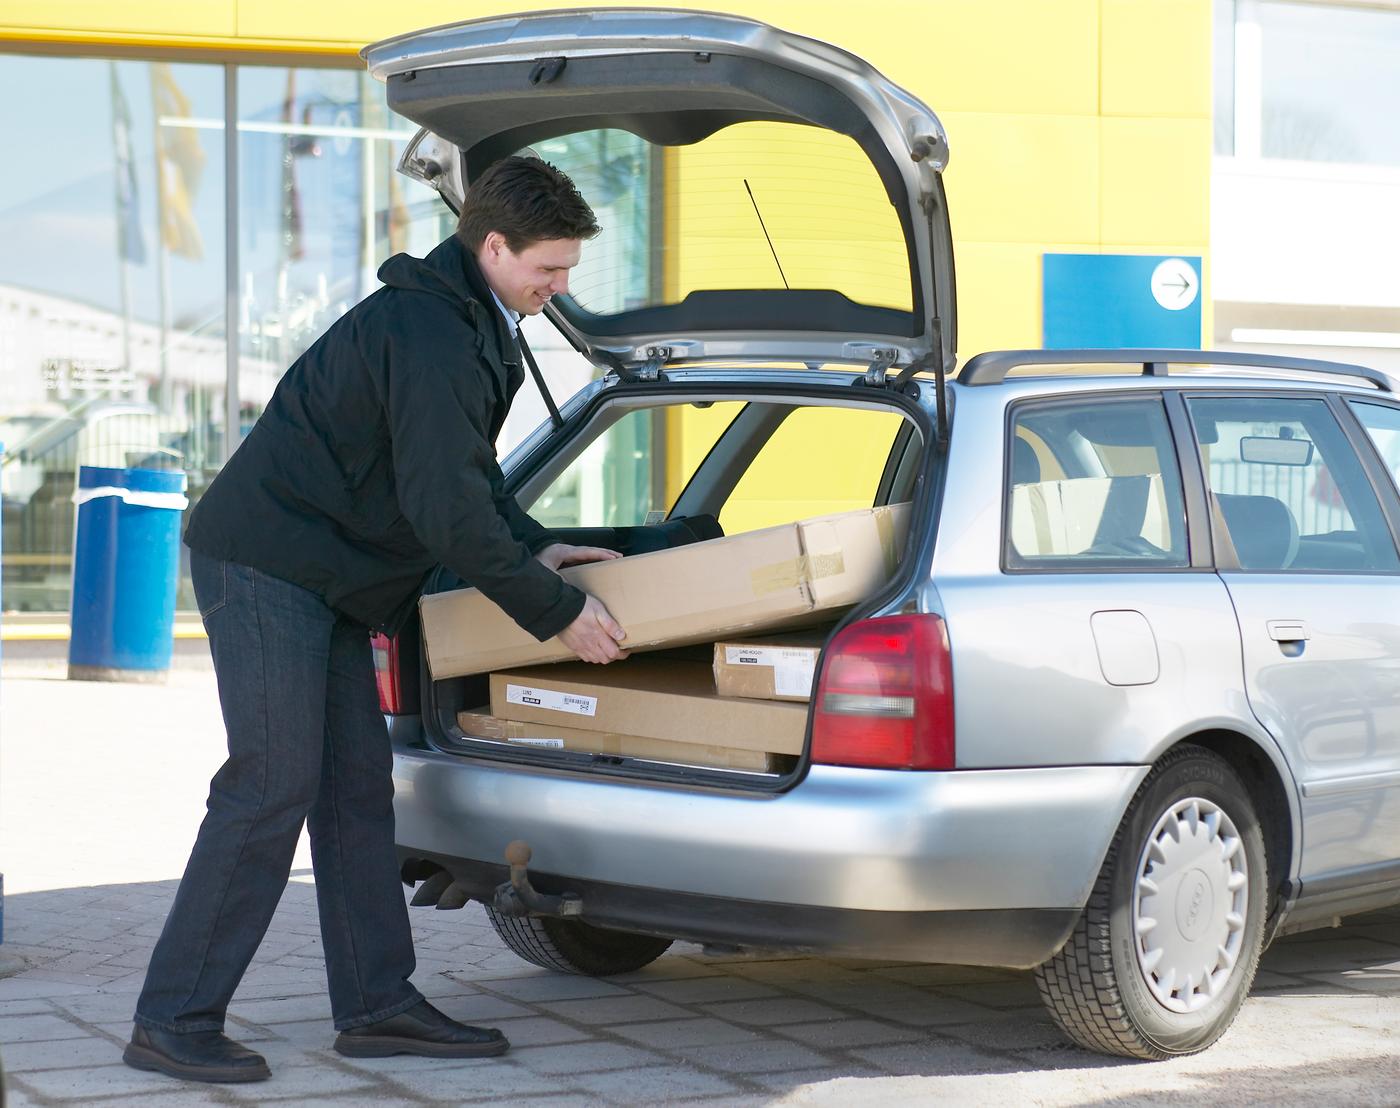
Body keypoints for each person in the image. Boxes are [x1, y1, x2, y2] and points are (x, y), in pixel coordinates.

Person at [123, 157, 628, 1085]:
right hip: (268, 565)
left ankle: (377, 1005)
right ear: (495, 245)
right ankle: (174, 1017)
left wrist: (540, 546)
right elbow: (444, 510)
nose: (562, 287)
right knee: (270, 785)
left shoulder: (470, 321)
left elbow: (463, 478)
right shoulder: (430, 330)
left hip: (334, 576)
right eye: (549, 269)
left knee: (357, 791)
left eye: (566, 270)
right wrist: (556, 614)